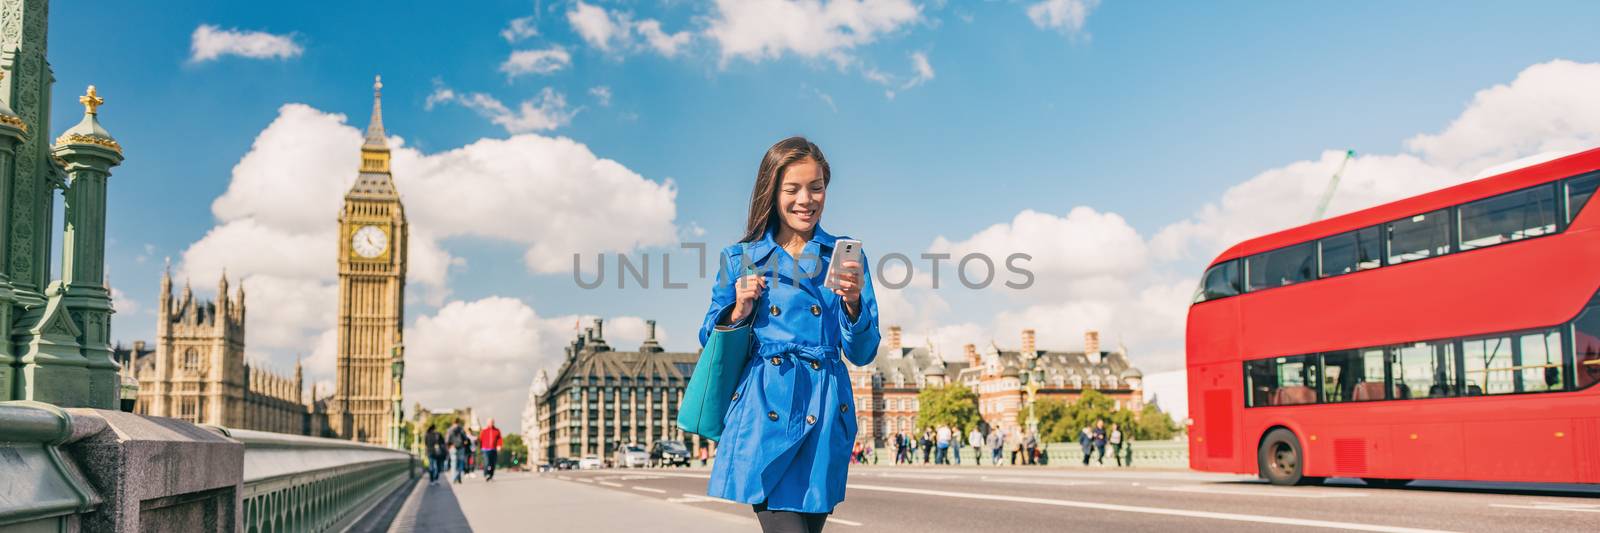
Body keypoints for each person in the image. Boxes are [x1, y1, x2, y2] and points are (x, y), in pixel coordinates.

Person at [700, 137, 881, 533]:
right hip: (767, 409)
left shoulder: (845, 256)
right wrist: (738, 309)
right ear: (772, 190)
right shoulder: (740, 258)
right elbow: (708, 340)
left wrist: (853, 305)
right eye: (792, 189)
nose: (806, 199)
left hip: (824, 406)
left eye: (816, 187)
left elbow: (864, 352)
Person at [446, 418, 470, 483]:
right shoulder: (461, 429)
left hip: (453, 447)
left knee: (453, 462)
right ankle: (458, 475)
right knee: (460, 462)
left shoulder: (449, 430)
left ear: (453, 423)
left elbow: (447, 440)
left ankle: (454, 477)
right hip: (461, 447)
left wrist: (449, 446)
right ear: (458, 422)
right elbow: (465, 439)